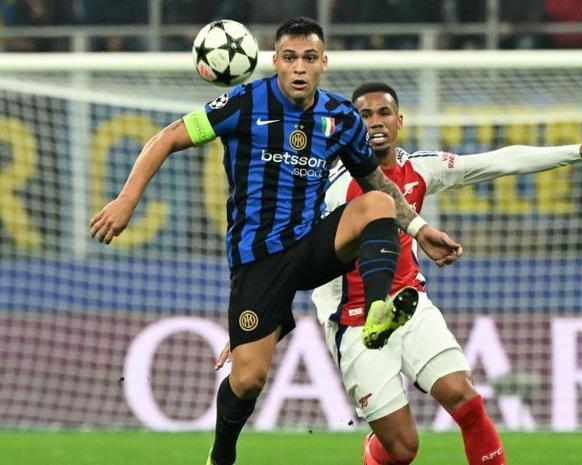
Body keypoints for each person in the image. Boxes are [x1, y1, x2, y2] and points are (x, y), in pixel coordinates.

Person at [89, 18, 462, 465]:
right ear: (275, 62)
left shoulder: (341, 117)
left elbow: (377, 182)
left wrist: (419, 229)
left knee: (377, 203)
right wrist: (126, 200)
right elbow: (168, 137)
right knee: (248, 379)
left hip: (312, 246)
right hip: (259, 259)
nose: (299, 67)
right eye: (290, 58)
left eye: (309, 58)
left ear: (324, 63)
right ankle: (221, 455)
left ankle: (378, 311)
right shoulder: (244, 103)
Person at [309, 83, 582, 465]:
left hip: (408, 305)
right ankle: (377, 448)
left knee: (466, 399)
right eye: (365, 115)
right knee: (402, 449)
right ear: (353, 126)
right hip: (355, 321)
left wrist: (576, 151)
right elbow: (306, 255)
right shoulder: (334, 187)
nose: (375, 122)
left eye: (384, 113)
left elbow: (495, 162)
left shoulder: (420, 167)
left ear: (400, 121)